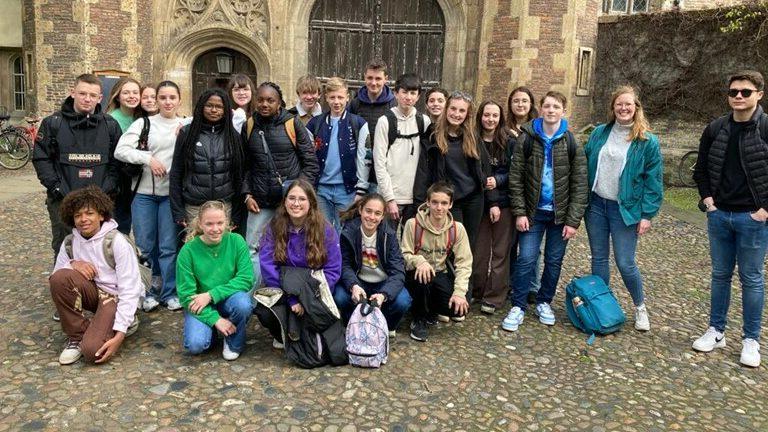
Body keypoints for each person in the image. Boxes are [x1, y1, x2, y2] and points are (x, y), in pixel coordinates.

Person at [692, 70, 768, 368]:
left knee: (752, 279)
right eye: (734, 91)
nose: (738, 96)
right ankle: (716, 330)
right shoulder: (715, 128)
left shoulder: (765, 128)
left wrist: (765, 210)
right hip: (720, 215)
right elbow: (701, 170)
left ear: (759, 94)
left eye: (746, 92)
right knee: (720, 275)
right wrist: (708, 201)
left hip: (754, 219)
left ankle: (751, 339)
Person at [503, 91, 588, 332]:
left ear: (563, 111)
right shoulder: (527, 138)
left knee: (553, 261)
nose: (551, 110)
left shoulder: (572, 142)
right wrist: (520, 212)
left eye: (556, 107)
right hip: (533, 212)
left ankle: (544, 301)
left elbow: (580, 184)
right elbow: (516, 177)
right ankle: (518, 305)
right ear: (541, 109)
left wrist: (573, 221)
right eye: (547, 106)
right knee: (527, 259)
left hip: (560, 216)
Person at [584, 86, 663, 332]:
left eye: (628, 104)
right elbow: (584, 163)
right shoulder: (599, 133)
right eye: (619, 104)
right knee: (598, 258)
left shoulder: (647, 141)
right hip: (596, 204)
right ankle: (602, 306)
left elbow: (654, 181)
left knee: (625, 262)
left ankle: (640, 307)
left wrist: (647, 214)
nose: (623, 108)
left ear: (636, 108)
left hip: (625, 209)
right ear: (613, 107)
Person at [32, 73, 122, 263]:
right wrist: (56, 187)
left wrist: (108, 188)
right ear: (72, 93)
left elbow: (117, 162)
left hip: (100, 200)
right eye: (82, 93)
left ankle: (100, 288)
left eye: (92, 95)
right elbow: (42, 158)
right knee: (65, 245)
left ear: (100, 98)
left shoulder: (110, 125)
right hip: (62, 198)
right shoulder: (52, 123)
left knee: (102, 247)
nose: (87, 99)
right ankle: (65, 287)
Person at [115, 81, 187, 312]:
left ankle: (169, 291)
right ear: (156, 100)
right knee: (145, 246)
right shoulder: (144, 123)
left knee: (168, 246)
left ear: (179, 100)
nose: (167, 102)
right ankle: (147, 290)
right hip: (144, 194)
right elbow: (121, 150)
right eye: (162, 97)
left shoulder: (186, 123)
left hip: (170, 195)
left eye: (172, 97)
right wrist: (148, 159)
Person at [49, 186, 141, 365]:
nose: (83, 219)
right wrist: (73, 264)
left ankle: (124, 322)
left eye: (89, 213)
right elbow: (56, 277)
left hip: (114, 298)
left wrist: (120, 333)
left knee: (93, 353)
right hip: (93, 294)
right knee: (60, 279)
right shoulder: (70, 242)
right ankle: (77, 336)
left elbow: (130, 289)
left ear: (101, 215)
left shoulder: (116, 242)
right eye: (77, 215)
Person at [242, 82, 320, 288]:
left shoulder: (292, 124)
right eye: (260, 100)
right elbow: (244, 165)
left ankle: (288, 293)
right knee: (253, 250)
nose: (264, 104)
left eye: (270, 100)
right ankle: (253, 298)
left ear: (279, 103)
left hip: (289, 203)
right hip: (260, 201)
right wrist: (247, 194)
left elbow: (310, 163)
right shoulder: (249, 125)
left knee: (291, 248)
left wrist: (297, 196)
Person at [254, 179, 342, 350]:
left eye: (302, 199)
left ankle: (310, 334)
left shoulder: (325, 229)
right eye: (291, 198)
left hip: (314, 290)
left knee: (339, 299)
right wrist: (291, 298)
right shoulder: (274, 227)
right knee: (264, 311)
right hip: (284, 288)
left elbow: (333, 269)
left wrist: (309, 298)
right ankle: (281, 334)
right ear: (285, 201)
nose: (296, 203)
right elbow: (268, 266)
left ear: (311, 203)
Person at [176, 201, 254, 360]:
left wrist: (211, 295)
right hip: (200, 303)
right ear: (200, 224)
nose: (215, 229)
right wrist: (216, 320)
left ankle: (233, 341)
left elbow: (246, 278)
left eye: (220, 223)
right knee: (196, 345)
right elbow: (185, 296)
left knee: (243, 304)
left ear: (227, 222)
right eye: (209, 224)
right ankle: (214, 328)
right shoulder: (188, 251)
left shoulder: (236, 241)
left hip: (228, 298)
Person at [414, 91, 489, 252]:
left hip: (473, 199)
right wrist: (420, 200)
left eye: (462, 111)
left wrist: (483, 180)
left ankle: (466, 278)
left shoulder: (472, 136)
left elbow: (484, 164)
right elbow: (424, 171)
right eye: (453, 109)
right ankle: (450, 277)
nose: (456, 114)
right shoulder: (433, 135)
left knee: (469, 246)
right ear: (446, 108)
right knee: (450, 244)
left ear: (467, 114)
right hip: (449, 200)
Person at [401, 182, 472, 342]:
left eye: (444, 203)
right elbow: (404, 254)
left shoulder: (457, 228)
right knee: (423, 278)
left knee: (459, 310)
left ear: (451, 204)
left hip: (440, 273)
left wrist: (459, 293)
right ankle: (419, 319)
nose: (439, 208)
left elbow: (464, 263)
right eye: (435, 202)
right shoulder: (413, 224)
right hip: (416, 275)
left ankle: (432, 309)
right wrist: (419, 261)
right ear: (427, 202)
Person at [333, 193, 412, 336]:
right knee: (340, 296)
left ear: (382, 216)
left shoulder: (389, 234)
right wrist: (353, 286)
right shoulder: (348, 232)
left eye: (377, 213)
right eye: (368, 211)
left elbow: (398, 271)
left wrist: (384, 294)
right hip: (359, 281)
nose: (371, 217)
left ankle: (386, 325)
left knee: (403, 301)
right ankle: (352, 323)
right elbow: (345, 265)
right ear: (360, 210)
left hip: (383, 282)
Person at [169, 88, 245, 228]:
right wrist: (178, 211)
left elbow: (239, 176)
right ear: (201, 107)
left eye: (219, 107)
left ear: (226, 109)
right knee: (196, 247)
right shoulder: (187, 133)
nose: (214, 110)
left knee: (221, 248)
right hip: (194, 206)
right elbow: (176, 173)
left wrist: (237, 214)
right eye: (209, 105)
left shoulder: (233, 136)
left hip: (224, 207)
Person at [306, 77, 370, 231]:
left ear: (347, 97)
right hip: (321, 190)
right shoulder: (314, 124)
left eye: (341, 97)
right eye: (332, 97)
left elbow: (365, 157)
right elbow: (307, 158)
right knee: (322, 232)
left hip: (347, 189)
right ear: (326, 98)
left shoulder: (358, 124)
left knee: (344, 232)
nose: (337, 102)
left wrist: (361, 189)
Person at [471, 100, 516, 315]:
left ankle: (495, 295)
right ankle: (477, 291)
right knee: (479, 251)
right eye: (486, 115)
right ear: (480, 116)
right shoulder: (472, 139)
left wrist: (497, 180)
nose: (490, 119)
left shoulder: (509, 141)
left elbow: (515, 171)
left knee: (500, 252)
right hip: (480, 203)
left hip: (504, 203)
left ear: (500, 118)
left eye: (495, 116)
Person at [373, 73, 431, 231]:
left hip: (415, 198)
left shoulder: (423, 121)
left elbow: (427, 162)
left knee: (411, 245)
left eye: (413, 93)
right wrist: (389, 199)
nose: (408, 97)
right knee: (386, 241)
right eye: (404, 92)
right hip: (392, 197)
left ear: (418, 96)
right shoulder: (385, 121)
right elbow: (379, 163)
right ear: (396, 93)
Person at [506, 86, 542, 305]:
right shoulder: (504, 129)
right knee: (510, 244)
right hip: (508, 193)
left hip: (532, 195)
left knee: (533, 246)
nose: (520, 105)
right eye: (516, 101)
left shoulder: (539, 130)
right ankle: (511, 283)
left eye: (524, 101)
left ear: (531, 104)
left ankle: (532, 286)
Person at [348, 59, 398, 190]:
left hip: (382, 172)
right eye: (370, 78)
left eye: (378, 78)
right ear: (364, 77)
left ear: (385, 79)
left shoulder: (393, 105)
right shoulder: (355, 103)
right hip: (358, 170)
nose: (373, 82)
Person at [106, 77, 144, 235]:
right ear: (117, 96)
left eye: (135, 92)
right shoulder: (111, 119)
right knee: (121, 222)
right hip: (120, 179)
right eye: (126, 92)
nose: (131, 96)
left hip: (140, 178)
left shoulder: (142, 117)